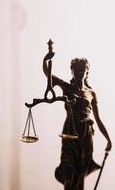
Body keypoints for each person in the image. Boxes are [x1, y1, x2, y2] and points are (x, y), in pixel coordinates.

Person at [43, 53, 112, 190]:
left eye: (83, 69)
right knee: (69, 167)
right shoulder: (67, 87)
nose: (80, 72)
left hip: (86, 133)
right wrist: (46, 59)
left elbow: (98, 120)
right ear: (72, 71)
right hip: (70, 131)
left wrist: (108, 139)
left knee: (82, 168)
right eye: (77, 69)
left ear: (87, 72)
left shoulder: (91, 93)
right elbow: (48, 74)